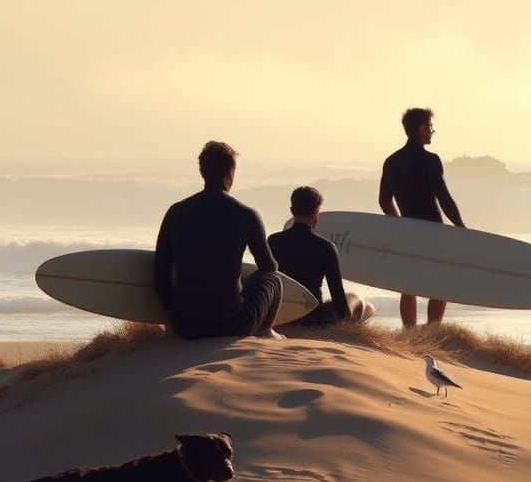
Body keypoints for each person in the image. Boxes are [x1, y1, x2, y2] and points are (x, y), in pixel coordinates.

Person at [155, 141, 284, 340]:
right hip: (233, 326)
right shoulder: (246, 214)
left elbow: (160, 272)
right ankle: (266, 330)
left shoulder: (176, 212)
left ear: (202, 172)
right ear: (231, 172)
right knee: (272, 277)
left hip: (185, 326)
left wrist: (173, 315)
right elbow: (268, 266)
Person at [378, 106, 465, 327]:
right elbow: (444, 199)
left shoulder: (391, 161)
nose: (432, 132)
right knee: (440, 283)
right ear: (421, 128)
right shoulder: (430, 160)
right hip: (433, 230)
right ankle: (432, 330)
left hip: (408, 230)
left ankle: (409, 333)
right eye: (430, 127)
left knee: (409, 284)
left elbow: (384, 202)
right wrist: (461, 228)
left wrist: (398, 223)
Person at [268, 186, 372, 325]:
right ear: (316, 212)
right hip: (313, 317)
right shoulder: (326, 247)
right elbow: (337, 293)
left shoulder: (273, 241)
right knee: (359, 301)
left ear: (292, 210)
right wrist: (347, 316)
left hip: (280, 313)